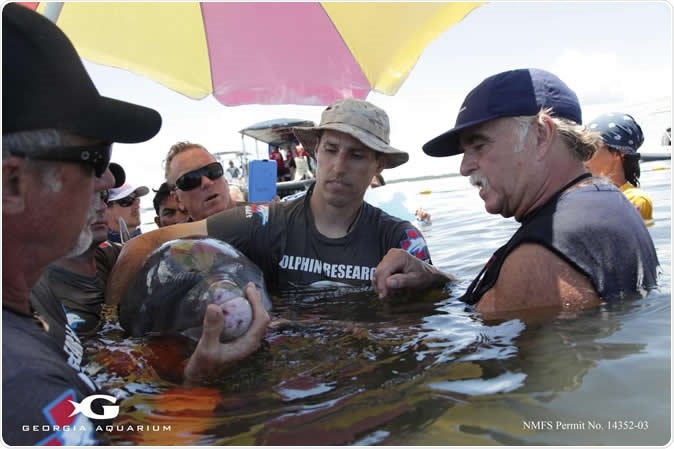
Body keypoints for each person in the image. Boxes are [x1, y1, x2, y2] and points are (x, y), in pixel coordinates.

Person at [2, 5, 268, 445]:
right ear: (12, 182)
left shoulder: (29, 303)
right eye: (95, 159)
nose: (108, 181)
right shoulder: (22, 386)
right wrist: (201, 383)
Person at [373, 68, 659, 317]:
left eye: (479, 144)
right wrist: (436, 279)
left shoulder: (542, 253)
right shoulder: (604, 201)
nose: (464, 167)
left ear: (541, 135)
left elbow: (486, 361)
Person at [106, 98, 441, 304]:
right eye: (331, 150)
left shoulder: (399, 239)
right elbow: (144, 244)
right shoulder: (265, 221)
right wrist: (112, 334)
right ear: (314, 152)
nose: (339, 167)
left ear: (378, 164)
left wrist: (433, 276)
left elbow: (446, 299)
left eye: (356, 155)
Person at [31, 163, 126, 340]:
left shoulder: (114, 255)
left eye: (103, 195)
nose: (101, 207)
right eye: (86, 195)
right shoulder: (37, 295)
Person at [585, 112, 653, 223]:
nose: (584, 156)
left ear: (619, 153)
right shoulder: (590, 193)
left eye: (592, 148)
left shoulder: (635, 200)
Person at [164, 141, 234, 221]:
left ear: (225, 180)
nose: (206, 182)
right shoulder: (180, 233)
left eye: (213, 171)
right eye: (191, 179)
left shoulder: (251, 212)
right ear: (178, 199)